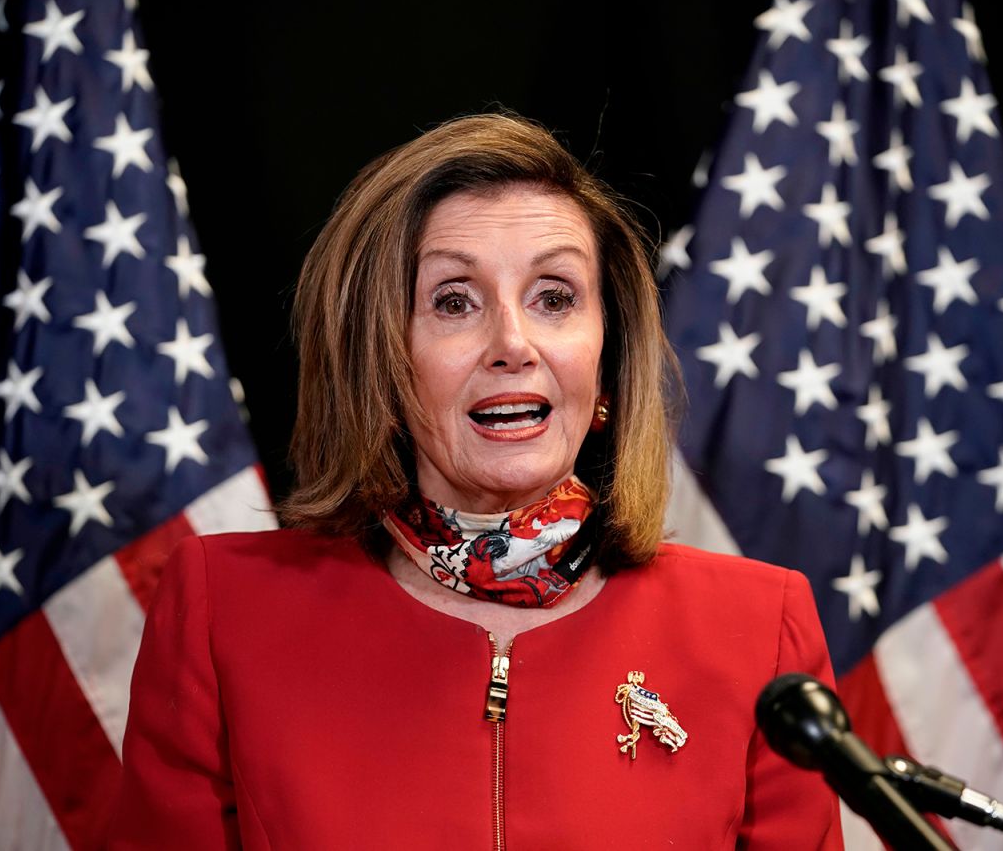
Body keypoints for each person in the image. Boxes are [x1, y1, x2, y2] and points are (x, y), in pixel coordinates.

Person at [108, 114, 844, 849]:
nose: (512, 345)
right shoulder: (223, 615)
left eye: (554, 297)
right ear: (381, 365)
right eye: (454, 301)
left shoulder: (758, 630)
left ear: (608, 361)